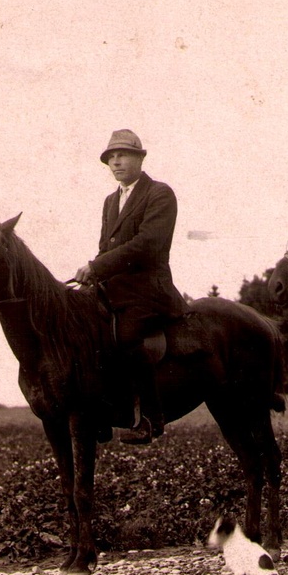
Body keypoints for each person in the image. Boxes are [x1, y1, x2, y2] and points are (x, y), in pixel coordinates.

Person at [75, 129, 186, 443]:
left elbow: (147, 245)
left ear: (140, 157)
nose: (115, 162)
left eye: (122, 155)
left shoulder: (160, 193)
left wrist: (98, 267)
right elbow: (105, 249)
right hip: (116, 288)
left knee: (125, 336)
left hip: (149, 289)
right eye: (110, 157)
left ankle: (152, 420)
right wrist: (91, 276)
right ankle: (102, 413)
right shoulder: (111, 201)